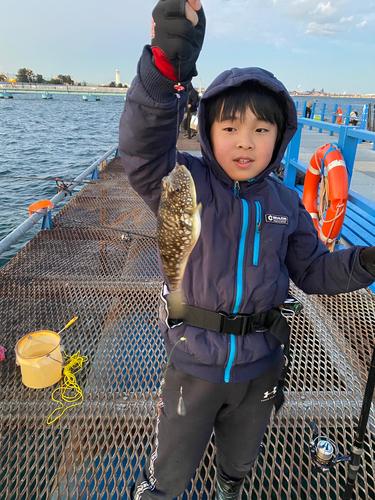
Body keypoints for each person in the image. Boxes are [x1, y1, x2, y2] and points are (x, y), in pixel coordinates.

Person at [119, 1, 375, 498]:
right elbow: (143, 151)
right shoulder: (182, 182)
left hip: (262, 364)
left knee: (240, 458)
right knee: (171, 468)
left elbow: (315, 270)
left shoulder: (285, 201)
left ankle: (230, 488)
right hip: (192, 363)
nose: (245, 142)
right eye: (230, 128)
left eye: (261, 130)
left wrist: (363, 263)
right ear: (208, 130)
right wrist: (167, 66)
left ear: (280, 138)